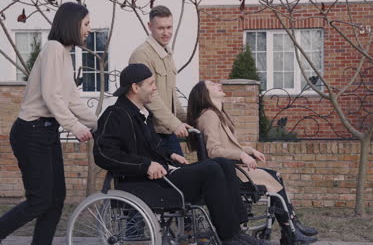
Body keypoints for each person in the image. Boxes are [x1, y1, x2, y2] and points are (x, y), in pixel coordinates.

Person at [93, 64, 270, 245]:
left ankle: (237, 231)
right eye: (151, 83)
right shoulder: (115, 115)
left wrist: (170, 155)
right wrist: (145, 165)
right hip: (146, 184)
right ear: (135, 87)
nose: (155, 88)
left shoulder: (142, 114)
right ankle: (230, 238)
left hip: (163, 175)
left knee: (222, 163)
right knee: (211, 169)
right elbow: (103, 154)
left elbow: (151, 148)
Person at [0, 2, 97, 244]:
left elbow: (72, 99)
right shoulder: (53, 48)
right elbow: (51, 95)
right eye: (86, 24)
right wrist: (75, 127)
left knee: (55, 200)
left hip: (46, 131)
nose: (88, 30)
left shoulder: (64, 54)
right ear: (72, 24)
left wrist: (99, 122)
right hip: (31, 132)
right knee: (40, 200)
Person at [187, 80, 319, 245]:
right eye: (212, 85)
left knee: (275, 176)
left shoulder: (218, 114)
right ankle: (290, 229)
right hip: (227, 172)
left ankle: (291, 228)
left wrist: (249, 151)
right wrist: (242, 155)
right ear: (204, 94)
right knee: (275, 177)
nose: (218, 84)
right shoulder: (209, 116)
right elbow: (213, 151)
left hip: (232, 168)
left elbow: (228, 146)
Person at [129, 5, 189, 156]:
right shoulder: (142, 55)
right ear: (150, 26)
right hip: (151, 132)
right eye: (161, 28)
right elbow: (150, 97)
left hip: (167, 129)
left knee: (180, 175)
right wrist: (174, 124)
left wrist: (185, 118)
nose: (166, 33)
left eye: (169, 27)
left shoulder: (166, 53)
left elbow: (171, 94)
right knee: (173, 177)